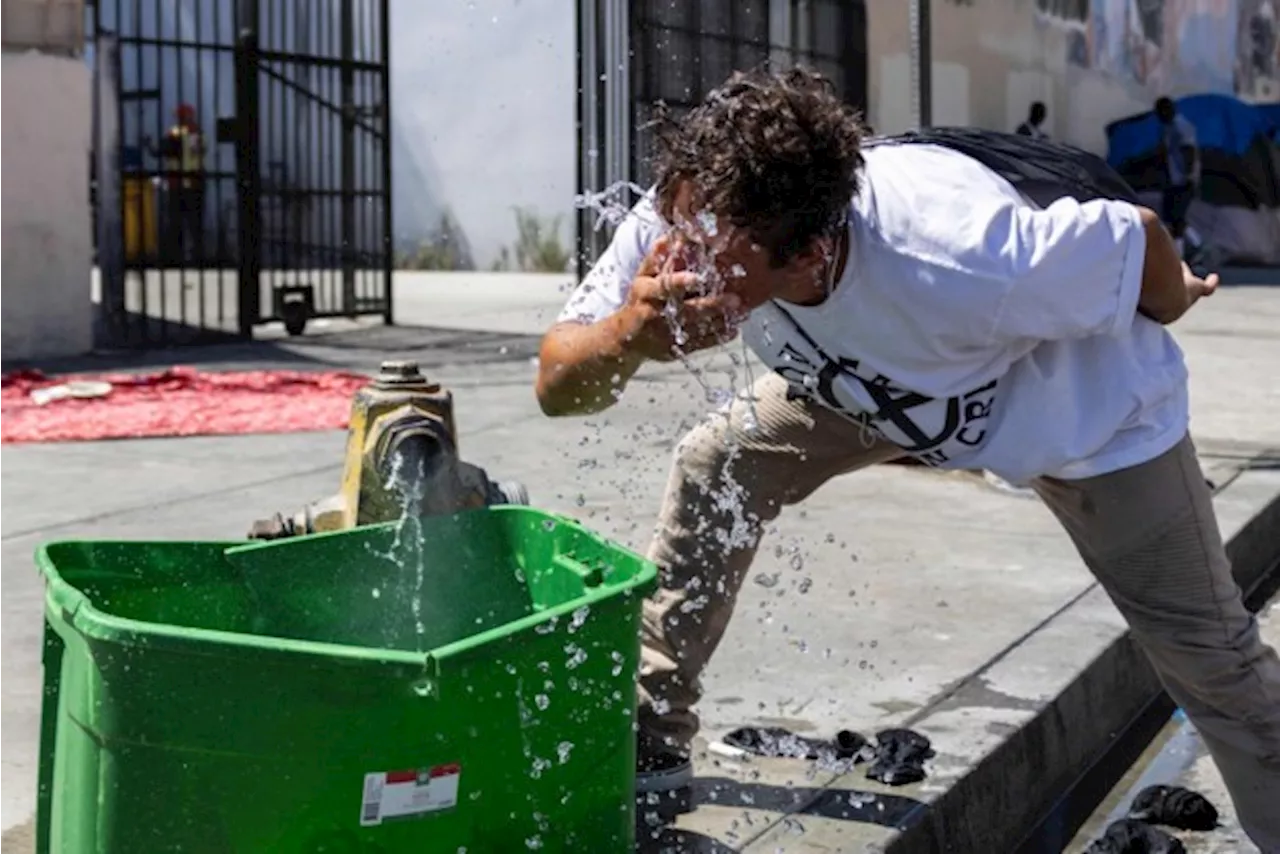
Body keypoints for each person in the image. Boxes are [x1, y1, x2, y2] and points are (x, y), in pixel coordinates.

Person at [535, 67, 1280, 849]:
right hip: (872, 388)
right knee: (720, 460)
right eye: (683, 229)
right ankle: (652, 733)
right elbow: (556, 384)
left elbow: (1139, 239)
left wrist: (1172, 299)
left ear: (811, 255)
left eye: (719, 255)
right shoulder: (696, 212)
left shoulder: (962, 253)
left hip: (1091, 423)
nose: (687, 260)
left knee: (1214, 667)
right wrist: (627, 334)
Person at [147, 103, 207, 264]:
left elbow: (163, 150)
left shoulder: (181, 133)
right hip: (193, 184)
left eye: (179, 116)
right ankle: (195, 257)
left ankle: (176, 258)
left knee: (177, 223)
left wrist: (152, 146)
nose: (178, 120)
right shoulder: (198, 133)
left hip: (181, 185)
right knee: (194, 225)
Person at [1154, 96, 1200, 259]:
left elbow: (1189, 150)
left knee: (1177, 216)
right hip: (1173, 178)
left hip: (1183, 179)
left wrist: (1188, 175)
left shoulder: (1181, 126)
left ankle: (1181, 253)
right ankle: (1195, 244)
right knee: (1172, 215)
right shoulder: (1168, 128)